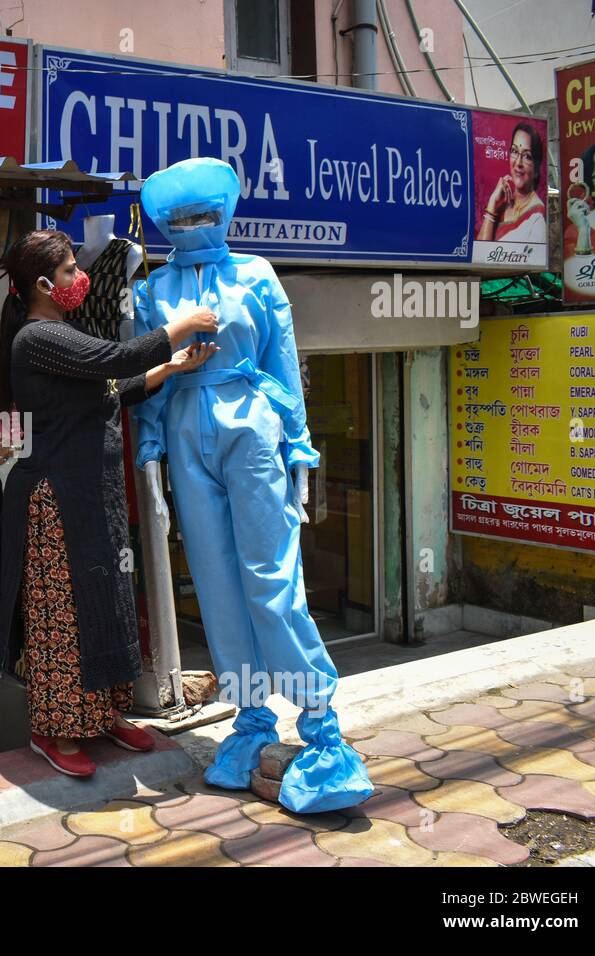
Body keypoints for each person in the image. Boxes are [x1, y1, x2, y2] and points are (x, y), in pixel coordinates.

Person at [133, 157, 372, 813]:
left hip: (252, 426)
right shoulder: (154, 290)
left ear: (225, 214)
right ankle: (251, 723)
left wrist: (299, 450)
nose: (191, 226)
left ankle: (323, 733)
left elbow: (284, 364)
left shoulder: (257, 273)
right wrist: (150, 456)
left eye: (203, 214)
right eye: (179, 218)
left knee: (272, 582)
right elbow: (153, 377)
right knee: (215, 585)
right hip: (184, 432)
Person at [0, 228, 218, 778]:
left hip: (93, 493)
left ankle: (103, 713)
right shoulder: (36, 336)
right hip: (58, 499)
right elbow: (116, 359)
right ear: (43, 284)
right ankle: (54, 729)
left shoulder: (61, 331)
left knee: (109, 604)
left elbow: (109, 389)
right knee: (63, 619)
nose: (79, 277)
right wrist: (181, 324)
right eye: (71, 270)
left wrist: (170, 369)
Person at [476, 123, 546, 243]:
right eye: (514, 151)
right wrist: (493, 203)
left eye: (527, 156)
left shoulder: (537, 219)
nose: (518, 162)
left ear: (536, 168)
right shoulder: (502, 203)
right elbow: (478, 255)